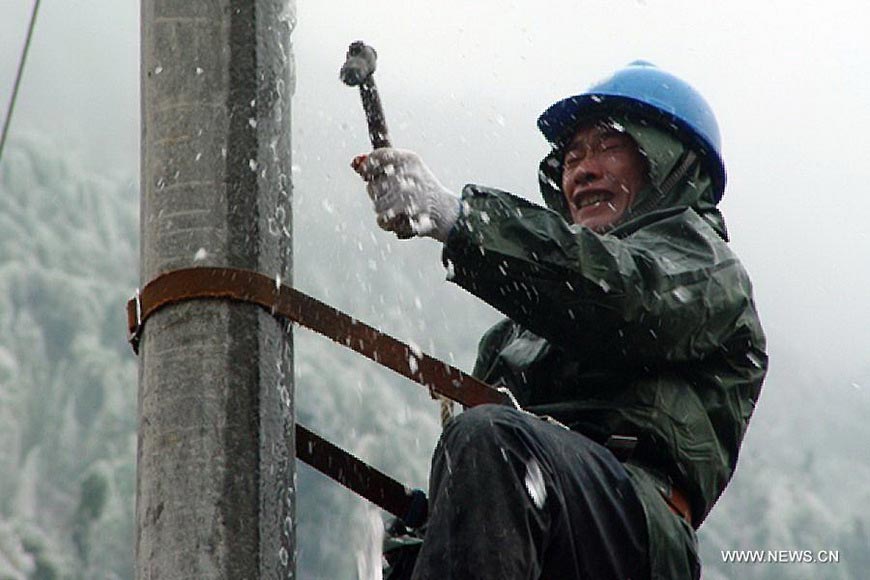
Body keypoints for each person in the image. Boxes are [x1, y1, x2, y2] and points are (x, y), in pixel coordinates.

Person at [353, 61, 767, 580]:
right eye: (572, 156)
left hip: (634, 531)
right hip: (553, 504)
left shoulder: (705, 270)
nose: (582, 170)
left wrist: (460, 219)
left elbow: (620, 300)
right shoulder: (518, 329)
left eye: (609, 148)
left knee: (490, 444)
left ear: (669, 165)